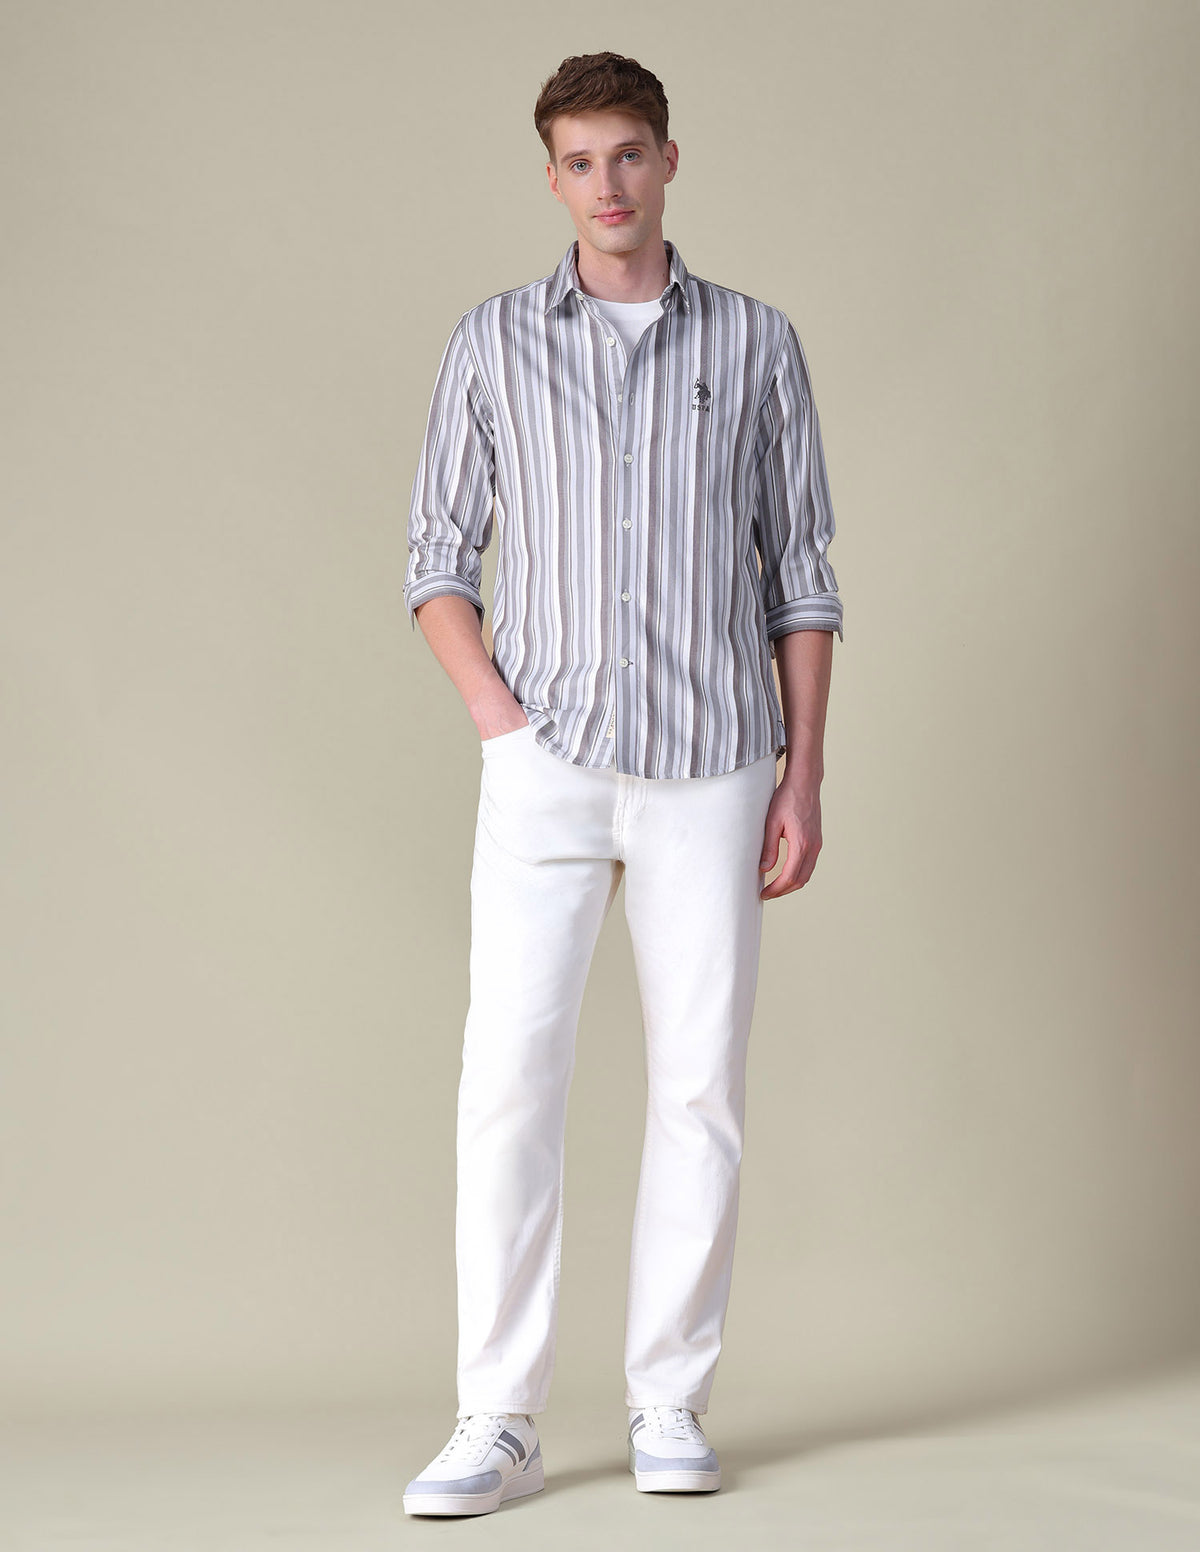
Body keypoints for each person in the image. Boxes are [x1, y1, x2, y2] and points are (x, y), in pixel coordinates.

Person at [401, 51, 843, 1517]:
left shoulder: (758, 343)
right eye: (581, 161)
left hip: (714, 763)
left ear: (669, 160)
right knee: (507, 1085)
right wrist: (500, 724)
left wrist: (802, 775)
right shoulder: (490, 343)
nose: (609, 184)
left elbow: (801, 578)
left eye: (630, 154)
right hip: (547, 764)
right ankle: (497, 1415)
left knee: (699, 1087)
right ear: (552, 177)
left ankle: (669, 1399)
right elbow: (435, 561)